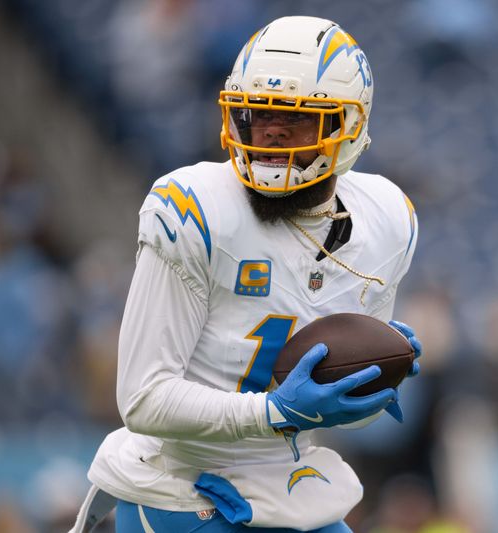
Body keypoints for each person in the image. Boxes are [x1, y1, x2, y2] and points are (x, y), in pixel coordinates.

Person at [70, 15, 422, 533]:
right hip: (180, 488)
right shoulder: (195, 210)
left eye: (295, 120)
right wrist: (273, 412)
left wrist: (372, 386)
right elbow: (143, 399)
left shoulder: (388, 219)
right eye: (257, 117)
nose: (271, 135)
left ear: (347, 126)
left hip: (284, 484)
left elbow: (344, 413)